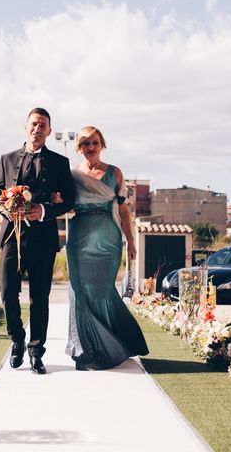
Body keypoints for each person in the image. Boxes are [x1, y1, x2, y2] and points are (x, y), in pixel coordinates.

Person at [0, 107, 74, 374]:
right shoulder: (6, 159)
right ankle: (17, 339)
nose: (37, 129)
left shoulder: (61, 163)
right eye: (34, 124)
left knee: (40, 298)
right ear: (25, 127)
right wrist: (5, 208)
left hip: (43, 240)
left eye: (43, 125)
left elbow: (69, 200)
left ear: (49, 131)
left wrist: (45, 211)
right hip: (11, 238)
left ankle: (36, 352)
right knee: (7, 293)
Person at [65, 126, 149, 370]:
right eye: (85, 143)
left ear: (102, 145)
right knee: (79, 292)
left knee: (102, 293)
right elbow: (63, 205)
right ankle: (86, 348)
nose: (90, 147)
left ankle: (114, 344)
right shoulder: (70, 175)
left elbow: (123, 210)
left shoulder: (115, 173)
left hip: (108, 239)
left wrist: (130, 241)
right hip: (79, 237)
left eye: (95, 143)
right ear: (79, 147)